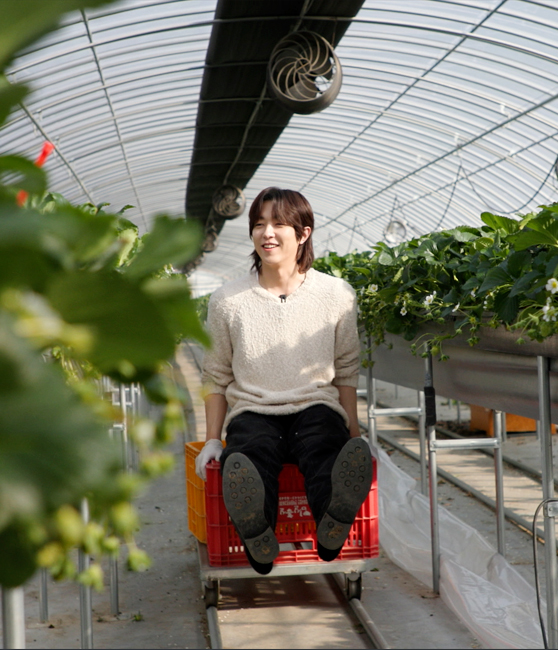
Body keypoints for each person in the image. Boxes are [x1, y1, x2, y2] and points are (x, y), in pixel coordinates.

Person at [195, 187, 372, 574]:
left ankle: (333, 521)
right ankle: (257, 530)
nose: (267, 233)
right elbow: (216, 374)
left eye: (278, 223)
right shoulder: (228, 300)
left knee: (326, 445)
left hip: (316, 405)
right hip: (254, 409)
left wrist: (354, 434)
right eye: (259, 224)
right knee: (249, 453)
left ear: (304, 233)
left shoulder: (336, 294)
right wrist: (212, 439)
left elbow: (346, 370)